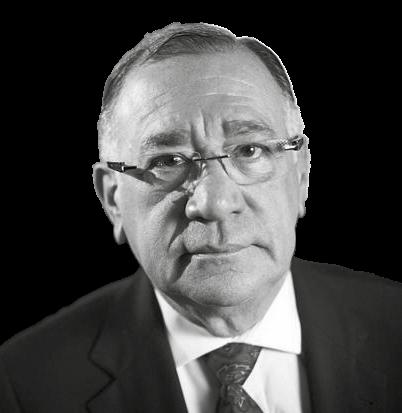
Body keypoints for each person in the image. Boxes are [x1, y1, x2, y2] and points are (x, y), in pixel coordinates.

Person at [1, 22, 401, 413]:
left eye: (249, 150)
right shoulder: (22, 385)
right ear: (113, 199)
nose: (214, 203)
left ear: (300, 175)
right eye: (168, 161)